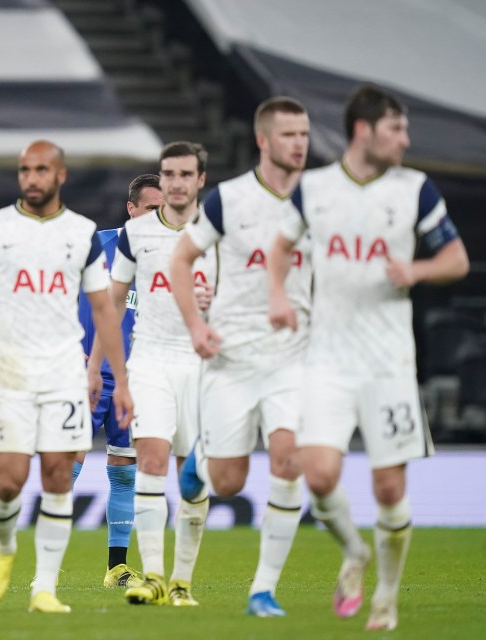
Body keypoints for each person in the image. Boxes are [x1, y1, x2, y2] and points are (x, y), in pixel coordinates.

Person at [267, 84, 469, 631]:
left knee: (388, 488)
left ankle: (386, 596)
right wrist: (278, 294)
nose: (405, 139)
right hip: (327, 359)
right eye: (396, 129)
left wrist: (419, 271)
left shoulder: (415, 190)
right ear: (364, 130)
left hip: (388, 364)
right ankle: (354, 552)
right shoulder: (316, 189)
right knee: (319, 474)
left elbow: (456, 258)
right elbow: (281, 246)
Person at [0, 140, 134, 614]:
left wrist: (117, 377)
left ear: (60, 176)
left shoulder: (83, 234)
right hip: (13, 373)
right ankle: (4, 547)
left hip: (65, 373)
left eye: (41, 169)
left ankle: (44, 588)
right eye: (24, 170)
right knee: (10, 481)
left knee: (59, 475)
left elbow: (105, 308)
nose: (31, 178)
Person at [169, 97, 312, 617]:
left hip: (294, 358)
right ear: (264, 140)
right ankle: (203, 461)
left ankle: (263, 590)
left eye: (304, 133)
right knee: (228, 484)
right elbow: (180, 260)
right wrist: (196, 325)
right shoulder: (229, 199)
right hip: (231, 356)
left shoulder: (320, 199)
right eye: (289, 134)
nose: (300, 142)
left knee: (289, 460)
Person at [93, 142, 215, 606]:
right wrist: (93, 369)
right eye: (168, 176)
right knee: (149, 463)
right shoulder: (127, 239)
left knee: (193, 476)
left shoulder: (216, 235)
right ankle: (151, 576)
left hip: (199, 366)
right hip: (144, 363)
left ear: (200, 179)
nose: (175, 184)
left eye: (185, 175)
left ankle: (181, 581)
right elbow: (105, 305)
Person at [73, 173, 162, 590]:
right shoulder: (96, 246)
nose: (157, 218)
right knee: (65, 464)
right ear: (131, 209)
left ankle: (117, 567)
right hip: (87, 375)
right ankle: (44, 559)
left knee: (124, 468)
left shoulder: (171, 257)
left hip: (135, 379)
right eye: (150, 209)